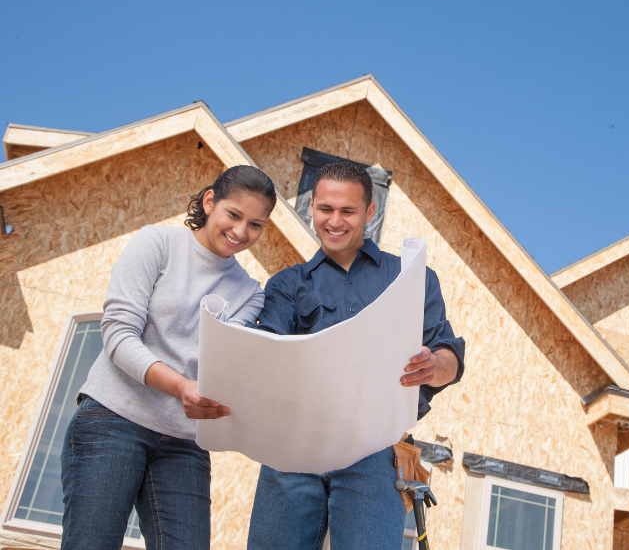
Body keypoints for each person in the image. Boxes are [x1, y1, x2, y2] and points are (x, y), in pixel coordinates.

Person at [247, 160, 466, 550]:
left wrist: (435, 366)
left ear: (370, 211)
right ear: (311, 206)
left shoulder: (410, 279)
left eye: (348, 211)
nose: (335, 221)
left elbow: (448, 354)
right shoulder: (287, 284)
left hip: (374, 451)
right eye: (325, 209)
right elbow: (266, 355)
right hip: (294, 449)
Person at [60, 166, 277, 550]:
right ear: (210, 201)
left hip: (183, 444)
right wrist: (180, 387)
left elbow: (221, 366)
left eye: (256, 224)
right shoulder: (157, 244)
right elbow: (117, 335)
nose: (242, 232)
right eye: (234, 215)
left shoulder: (249, 293)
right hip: (113, 421)